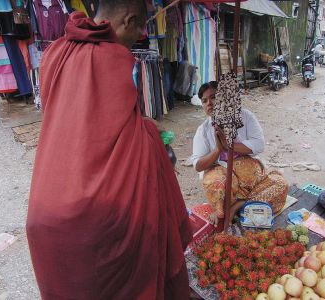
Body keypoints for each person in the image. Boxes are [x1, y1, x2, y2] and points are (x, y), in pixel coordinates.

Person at [26, 1, 193, 299]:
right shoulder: (114, 58)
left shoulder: (56, 51)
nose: (138, 36)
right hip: (95, 219)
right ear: (129, 20)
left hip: (44, 208)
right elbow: (125, 135)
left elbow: (76, 125)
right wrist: (151, 133)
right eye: (140, 28)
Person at [191, 81, 288, 226]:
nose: (209, 103)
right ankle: (238, 206)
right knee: (213, 181)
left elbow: (259, 144)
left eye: (213, 97)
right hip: (224, 175)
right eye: (204, 101)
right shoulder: (203, 130)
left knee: (280, 184)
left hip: (250, 174)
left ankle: (237, 206)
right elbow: (198, 165)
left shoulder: (245, 116)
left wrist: (230, 146)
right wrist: (218, 149)